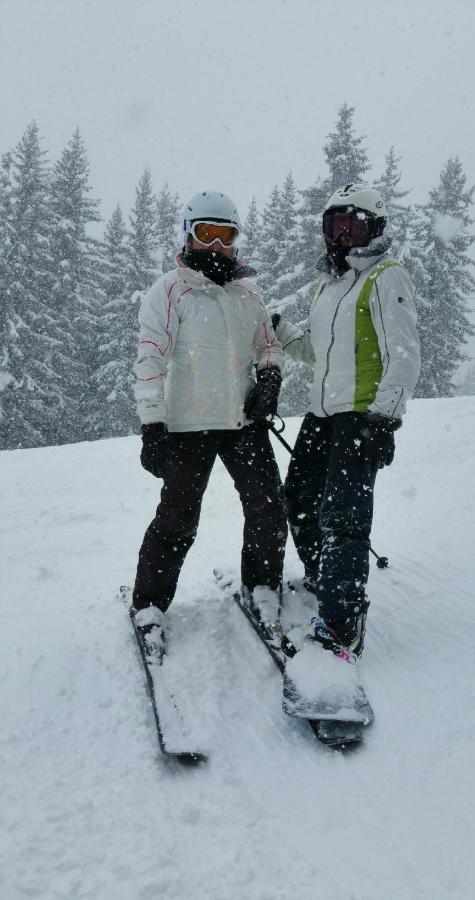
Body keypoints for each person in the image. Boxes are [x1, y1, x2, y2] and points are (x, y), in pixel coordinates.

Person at [132, 189, 287, 660]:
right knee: (178, 519)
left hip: (242, 421)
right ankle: (150, 605)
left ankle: (262, 586)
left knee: (267, 508)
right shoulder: (169, 291)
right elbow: (149, 360)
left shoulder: (247, 295)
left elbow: (268, 345)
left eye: (227, 236)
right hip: (186, 426)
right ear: (188, 235)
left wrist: (270, 377)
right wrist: (152, 424)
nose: (217, 246)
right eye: (207, 234)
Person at [274, 183, 420, 658]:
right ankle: (323, 574)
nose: (342, 238)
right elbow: (319, 354)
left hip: (361, 416)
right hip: (322, 414)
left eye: (352, 226)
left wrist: (385, 419)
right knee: (298, 495)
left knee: (344, 517)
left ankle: (343, 622)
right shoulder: (328, 284)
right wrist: (282, 331)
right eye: (334, 227)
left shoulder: (386, 277)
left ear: (373, 228)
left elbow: (404, 356)